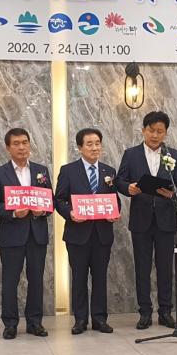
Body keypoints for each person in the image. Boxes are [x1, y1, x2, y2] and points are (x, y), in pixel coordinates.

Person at [115, 111, 177, 330]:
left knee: (165, 268)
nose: (155, 135)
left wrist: (173, 193)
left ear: (166, 133)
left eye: (160, 131)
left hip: (166, 219)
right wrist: (128, 188)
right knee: (142, 268)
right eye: (151, 130)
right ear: (143, 130)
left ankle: (165, 312)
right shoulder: (131, 154)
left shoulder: (174, 155)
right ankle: (144, 312)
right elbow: (119, 180)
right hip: (141, 220)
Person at [0, 128, 52, 339]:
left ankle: (35, 322)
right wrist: (13, 212)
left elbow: (49, 200)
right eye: (16, 143)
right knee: (10, 281)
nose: (21, 147)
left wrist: (43, 210)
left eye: (25, 142)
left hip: (37, 234)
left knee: (36, 280)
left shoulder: (41, 171)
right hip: (11, 235)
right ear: (8, 148)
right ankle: (10, 324)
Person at [55, 128, 120, 334]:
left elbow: (114, 199)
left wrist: (115, 212)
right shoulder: (68, 170)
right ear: (80, 147)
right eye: (89, 144)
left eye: (97, 143)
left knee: (100, 277)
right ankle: (80, 320)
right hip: (77, 234)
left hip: (102, 234)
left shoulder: (109, 171)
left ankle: (100, 319)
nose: (94, 148)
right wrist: (70, 213)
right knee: (79, 277)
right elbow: (59, 199)